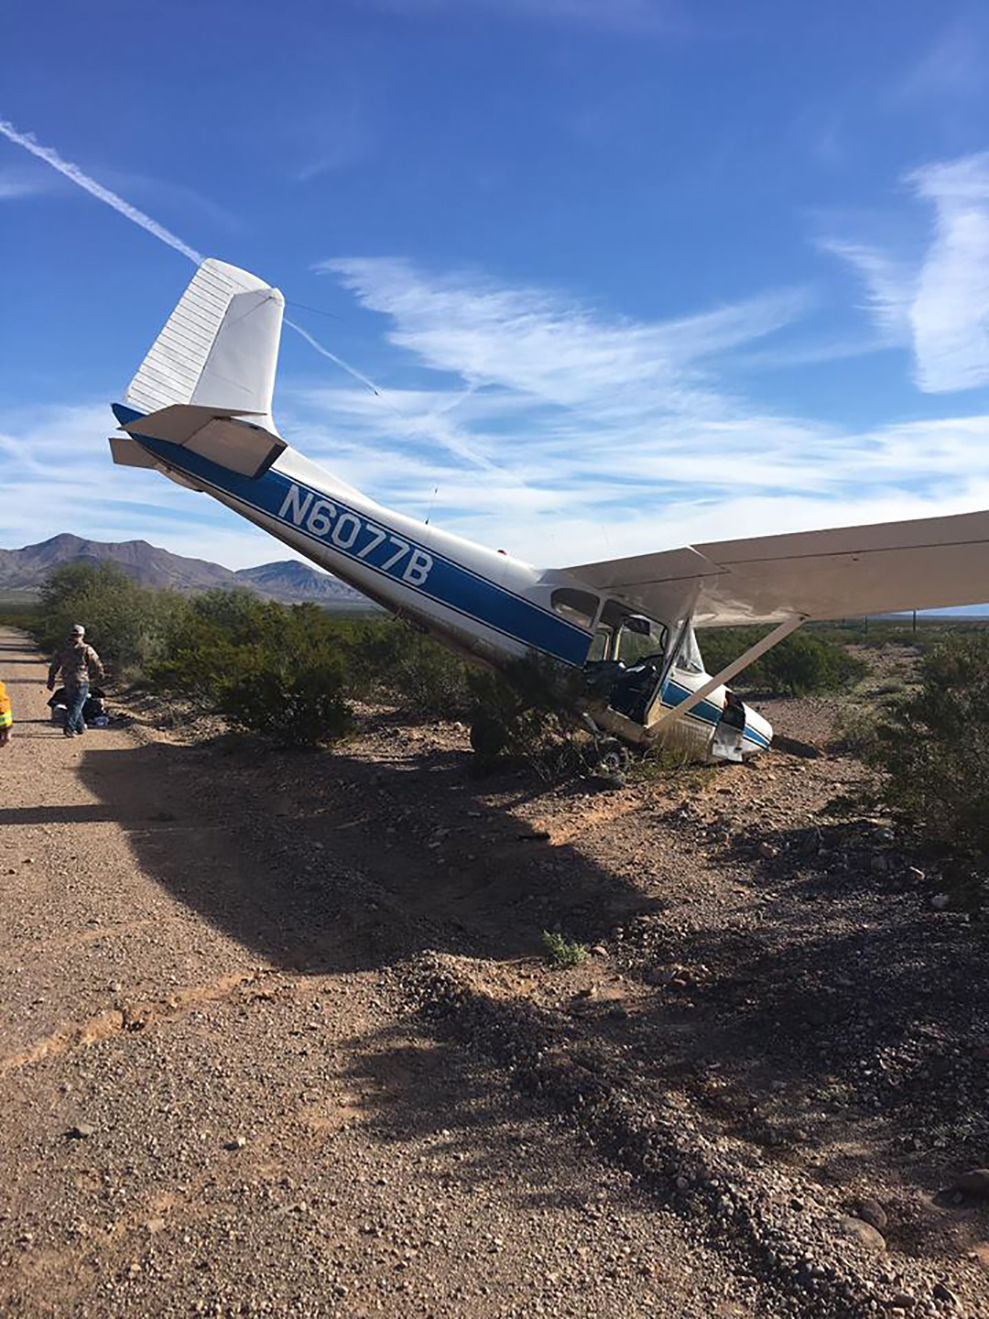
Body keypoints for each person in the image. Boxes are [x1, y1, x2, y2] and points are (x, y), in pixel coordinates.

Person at [47, 624, 105, 738]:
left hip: (68, 680)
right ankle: (69, 728)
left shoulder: (62, 649)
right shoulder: (86, 648)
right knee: (76, 705)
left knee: (75, 704)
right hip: (81, 680)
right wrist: (100, 673)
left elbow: (54, 666)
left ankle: (80, 727)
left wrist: (51, 680)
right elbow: (97, 662)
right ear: (82, 635)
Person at [0, 678, 11, 748]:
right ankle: (7, 735)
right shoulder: (2, 686)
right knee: (6, 727)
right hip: (6, 713)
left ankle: (4, 737)